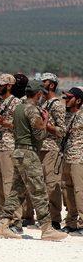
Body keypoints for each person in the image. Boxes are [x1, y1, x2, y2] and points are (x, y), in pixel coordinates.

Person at [0, 80, 68, 241]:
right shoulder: (33, 110)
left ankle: (3, 225)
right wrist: (46, 121)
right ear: (39, 94)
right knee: (39, 191)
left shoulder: (18, 108)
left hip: (19, 151)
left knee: (16, 191)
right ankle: (47, 229)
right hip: (29, 153)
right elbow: (39, 135)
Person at [0, 73, 23, 233]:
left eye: (1, 84)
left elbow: (22, 126)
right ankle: (3, 219)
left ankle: (16, 221)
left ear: (9, 86)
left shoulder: (16, 102)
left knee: (9, 184)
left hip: (9, 147)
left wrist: (3, 123)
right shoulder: (1, 102)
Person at [39, 72, 66, 229]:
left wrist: (45, 125)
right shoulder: (43, 103)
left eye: (45, 81)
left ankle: (55, 219)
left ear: (52, 85)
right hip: (41, 147)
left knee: (52, 184)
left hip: (51, 148)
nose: (42, 84)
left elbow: (61, 130)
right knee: (41, 185)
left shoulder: (57, 105)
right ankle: (44, 217)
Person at [61, 86, 83, 235]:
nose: (66, 100)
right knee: (67, 190)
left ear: (79, 100)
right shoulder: (66, 115)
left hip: (79, 158)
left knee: (79, 190)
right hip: (67, 157)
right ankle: (71, 222)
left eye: (69, 97)